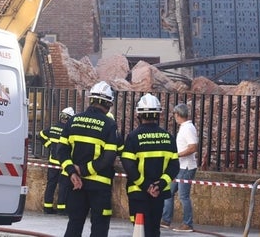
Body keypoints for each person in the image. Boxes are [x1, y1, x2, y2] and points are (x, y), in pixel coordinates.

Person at [56, 81, 121, 237]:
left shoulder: (73, 120)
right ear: (108, 104)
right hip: (99, 186)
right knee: (99, 226)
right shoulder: (109, 124)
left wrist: (73, 172)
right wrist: (85, 170)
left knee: (74, 223)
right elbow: (109, 157)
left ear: (91, 100)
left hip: (74, 183)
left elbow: (61, 151)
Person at [121, 94, 179, 237]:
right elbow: (174, 166)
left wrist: (147, 186)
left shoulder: (133, 137)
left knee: (140, 230)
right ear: (158, 114)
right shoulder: (168, 137)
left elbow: (129, 166)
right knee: (154, 230)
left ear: (138, 115)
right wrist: (159, 185)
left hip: (138, 193)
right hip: (158, 194)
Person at [161, 103, 198, 233]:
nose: (174, 117)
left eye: (175, 115)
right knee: (169, 193)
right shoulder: (184, 127)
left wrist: (176, 155)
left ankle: (188, 223)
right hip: (180, 167)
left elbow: (193, 147)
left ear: (178, 114)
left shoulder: (188, 128)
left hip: (186, 167)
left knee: (183, 196)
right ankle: (165, 220)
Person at [39, 106, 74, 214]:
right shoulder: (68, 131)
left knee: (51, 184)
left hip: (52, 162)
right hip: (64, 164)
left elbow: (41, 134)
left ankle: (47, 207)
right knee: (63, 186)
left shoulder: (53, 128)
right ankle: (61, 208)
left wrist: (49, 146)